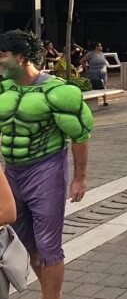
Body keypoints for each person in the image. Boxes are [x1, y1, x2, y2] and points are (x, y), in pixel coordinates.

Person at [0, 30, 93, 299]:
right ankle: (53, 293)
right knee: (25, 242)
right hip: (12, 172)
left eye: (3, 56)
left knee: (48, 244)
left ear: (21, 57)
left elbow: (79, 135)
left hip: (46, 170)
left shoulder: (58, 92)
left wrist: (79, 177)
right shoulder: (4, 89)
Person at [80, 41, 111, 106]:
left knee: (104, 86)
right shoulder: (91, 54)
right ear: (96, 47)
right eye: (100, 46)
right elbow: (82, 60)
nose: (101, 47)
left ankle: (105, 101)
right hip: (94, 72)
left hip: (103, 71)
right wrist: (85, 68)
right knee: (95, 86)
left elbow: (105, 62)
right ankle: (94, 102)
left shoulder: (102, 53)